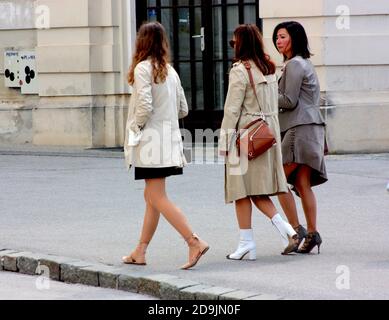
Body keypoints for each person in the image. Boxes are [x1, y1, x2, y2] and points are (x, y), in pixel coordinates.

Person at [122, 22, 209, 270]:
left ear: (142, 42)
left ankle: (194, 241)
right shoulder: (170, 71)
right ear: (163, 43)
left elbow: (145, 107)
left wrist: (135, 130)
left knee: (155, 196)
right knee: (152, 197)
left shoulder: (142, 69)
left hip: (150, 142)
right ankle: (140, 250)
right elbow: (184, 109)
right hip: (168, 142)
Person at [219, 24, 299, 260]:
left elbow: (232, 110)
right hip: (266, 134)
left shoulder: (240, 70)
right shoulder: (269, 67)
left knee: (241, 190)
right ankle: (252, 241)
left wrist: (224, 141)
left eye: (234, 42)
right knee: (250, 190)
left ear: (241, 43)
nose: (233, 46)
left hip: (244, 136)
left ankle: (273, 234)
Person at [272, 21, 328, 254]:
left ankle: (296, 231)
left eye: (283, 36)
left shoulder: (294, 65)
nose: (278, 41)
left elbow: (288, 100)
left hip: (298, 128)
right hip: (311, 128)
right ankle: (312, 234)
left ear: (295, 38)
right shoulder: (305, 63)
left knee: (276, 180)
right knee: (303, 184)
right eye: (276, 37)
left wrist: (266, 95)